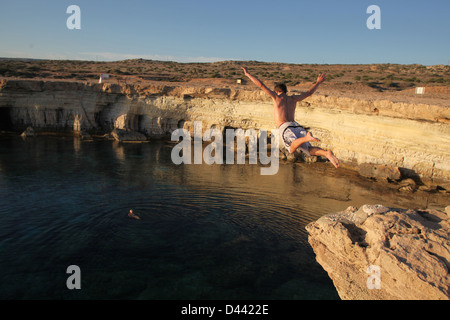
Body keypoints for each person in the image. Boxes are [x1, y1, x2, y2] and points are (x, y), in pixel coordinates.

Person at [241, 67, 339, 168]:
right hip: (296, 126)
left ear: (276, 91)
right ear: (286, 91)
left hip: (285, 127)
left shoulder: (276, 98)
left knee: (291, 149)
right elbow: (309, 92)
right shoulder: (293, 98)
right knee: (309, 150)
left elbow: (261, 85)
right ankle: (326, 154)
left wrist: (248, 74)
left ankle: (306, 138)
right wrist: (318, 82)